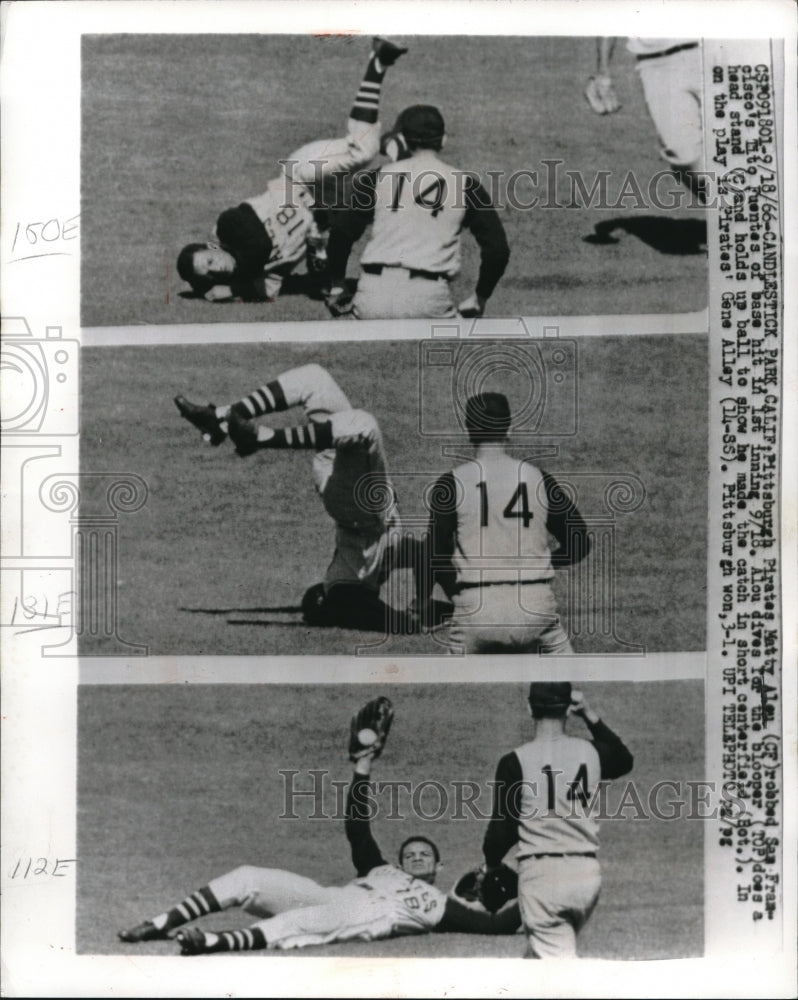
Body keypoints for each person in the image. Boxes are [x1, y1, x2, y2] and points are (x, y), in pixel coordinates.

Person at [117, 697, 520, 954]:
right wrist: (363, 767)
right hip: (329, 897)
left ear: (439, 868)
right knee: (248, 876)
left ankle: (210, 942)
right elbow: (357, 826)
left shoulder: (442, 908)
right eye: (409, 854)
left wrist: (541, 883)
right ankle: (160, 923)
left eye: (423, 855)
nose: (415, 857)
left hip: (361, 916)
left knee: (295, 924)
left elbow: (498, 924)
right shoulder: (378, 869)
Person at [174, 364, 420, 632]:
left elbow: (362, 607)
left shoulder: (349, 581)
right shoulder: (378, 562)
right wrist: (432, 602)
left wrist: (410, 623)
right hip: (350, 485)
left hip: (357, 507)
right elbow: (422, 554)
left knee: (364, 426)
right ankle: (220, 419)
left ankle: (262, 438)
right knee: (315, 378)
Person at [176, 36, 407, 303]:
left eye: (209, 260)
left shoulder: (227, 228)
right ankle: (394, 146)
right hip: (330, 205)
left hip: (302, 177)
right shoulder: (262, 272)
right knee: (400, 186)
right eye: (209, 273)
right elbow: (271, 289)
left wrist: (235, 288)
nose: (216, 267)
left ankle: (377, 63)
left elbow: (259, 246)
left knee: (362, 151)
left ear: (212, 247)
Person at [420, 392, 591, 653]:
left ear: (469, 430)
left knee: (451, 684)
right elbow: (579, 541)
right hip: (535, 606)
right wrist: (537, 562)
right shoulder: (538, 478)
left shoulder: (452, 482)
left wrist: (448, 595)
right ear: (509, 428)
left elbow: (434, 554)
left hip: (476, 609)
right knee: (565, 685)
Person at [481, 682, 634, 958]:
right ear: (567, 709)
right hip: (586, 877)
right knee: (538, 959)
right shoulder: (592, 752)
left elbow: (501, 832)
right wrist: (589, 714)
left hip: (544, 881)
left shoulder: (515, 761)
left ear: (529, 708)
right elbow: (624, 760)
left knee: (560, 972)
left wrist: (491, 865)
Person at [323, 104, 510, 319]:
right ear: (443, 141)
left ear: (402, 140)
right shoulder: (466, 184)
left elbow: (340, 234)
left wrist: (338, 285)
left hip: (372, 295)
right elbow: (498, 250)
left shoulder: (376, 177)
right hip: (428, 298)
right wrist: (480, 297)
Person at [585, 39, 707, 204]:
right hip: (656, 66)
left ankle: (735, 221)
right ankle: (728, 216)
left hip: (710, 52)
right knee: (684, 155)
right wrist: (602, 73)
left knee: (734, 147)